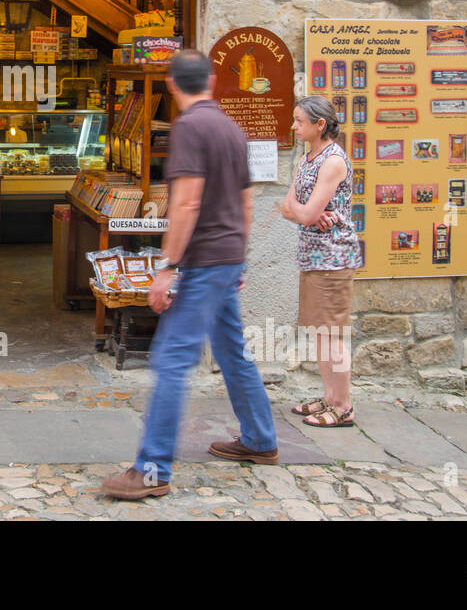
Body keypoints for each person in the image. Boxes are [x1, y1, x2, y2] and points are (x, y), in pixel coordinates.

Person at [100, 49, 279, 501]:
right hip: (226, 257)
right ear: (213, 82)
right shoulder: (232, 130)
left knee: (172, 359)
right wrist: (239, 257)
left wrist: (167, 268)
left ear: (172, 86)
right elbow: (247, 202)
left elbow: (185, 204)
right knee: (232, 352)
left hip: (201, 263)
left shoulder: (188, 127)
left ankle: (152, 468)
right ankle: (260, 439)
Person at [279, 95, 363, 427]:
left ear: (320, 125)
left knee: (333, 335)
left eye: (299, 121)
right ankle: (329, 396)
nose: (293, 126)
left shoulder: (332, 161)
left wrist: (306, 215)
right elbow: (287, 206)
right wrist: (305, 215)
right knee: (320, 332)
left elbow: (303, 210)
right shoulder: (307, 157)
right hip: (314, 257)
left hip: (333, 258)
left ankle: (342, 407)